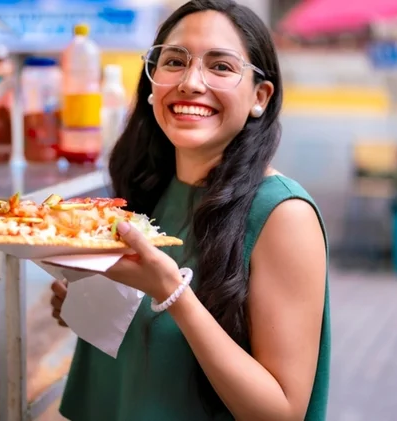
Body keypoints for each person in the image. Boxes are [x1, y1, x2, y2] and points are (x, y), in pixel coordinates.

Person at [49, 1, 330, 420]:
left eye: (220, 66)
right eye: (175, 61)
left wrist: (171, 293)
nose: (190, 83)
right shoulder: (145, 192)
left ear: (260, 96)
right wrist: (88, 307)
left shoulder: (283, 214)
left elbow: (281, 413)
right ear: (152, 81)